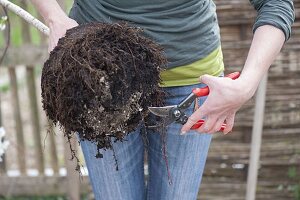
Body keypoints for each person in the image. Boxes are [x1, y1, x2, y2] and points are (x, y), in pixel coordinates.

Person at [31, 0, 295, 199]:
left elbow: (276, 3)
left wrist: (246, 86)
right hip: (98, 75)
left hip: (191, 81)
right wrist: (54, 17)